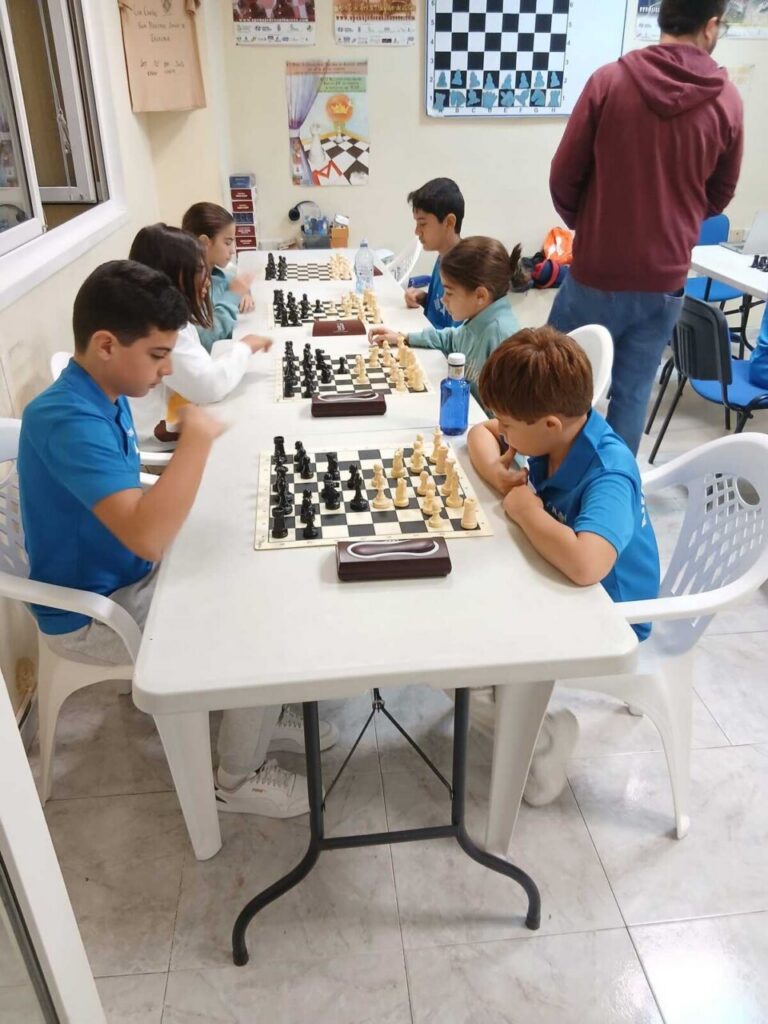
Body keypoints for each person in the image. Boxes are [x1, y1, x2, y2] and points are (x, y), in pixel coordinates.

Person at [19, 260, 335, 818]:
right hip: (93, 612)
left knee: (259, 563)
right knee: (260, 629)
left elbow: (133, 498)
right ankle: (236, 778)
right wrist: (196, 440)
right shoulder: (66, 419)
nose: (167, 370)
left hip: (127, 574)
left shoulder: (100, 391)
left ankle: (262, 706)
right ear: (106, 345)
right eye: (157, 355)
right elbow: (147, 536)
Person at [467, 326, 660, 804]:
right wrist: (499, 475)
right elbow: (478, 433)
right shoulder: (552, 435)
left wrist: (526, 510)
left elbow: (587, 564)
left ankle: (546, 736)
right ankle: (512, 711)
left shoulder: (608, 473)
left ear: (550, 425)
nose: (502, 433)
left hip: (610, 612)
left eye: (509, 425)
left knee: (462, 651)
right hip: (559, 582)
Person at [547, 0, 743, 455]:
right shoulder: (727, 101)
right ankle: (614, 489)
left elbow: (563, 175)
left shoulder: (610, 82)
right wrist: (678, 221)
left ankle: (542, 479)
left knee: (557, 380)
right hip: (664, 279)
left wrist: (591, 225)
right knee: (633, 394)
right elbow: (721, 191)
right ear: (710, 26)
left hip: (597, 269)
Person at [127, 223, 271, 449]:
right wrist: (245, 347)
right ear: (172, 275)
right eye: (198, 270)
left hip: (178, 420)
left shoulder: (164, 316)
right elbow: (210, 386)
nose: (207, 280)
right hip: (160, 445)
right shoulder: (162, 329)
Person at [370, 236, 526, 404]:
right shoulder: (478, 319)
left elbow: (512, 412)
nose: (444, 299)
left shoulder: (501, 336)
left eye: (449, 293)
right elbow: (451, 339)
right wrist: (404, 337)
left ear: (480, 295)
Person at [182, 202, 256, 352]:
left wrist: (244, 293)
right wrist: (233, 296)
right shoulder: (189, 287)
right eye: (227, 243)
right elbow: (205, 339)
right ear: (204, 242)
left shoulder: (219, 274)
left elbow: (237, 282)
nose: (233, 250)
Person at [404, 177, 464, 329]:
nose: (417, 231)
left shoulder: (464, 271)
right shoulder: (443, 258)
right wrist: (424, 299)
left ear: (449, 222)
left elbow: (455, 337)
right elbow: (441, 312)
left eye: (422, 223)